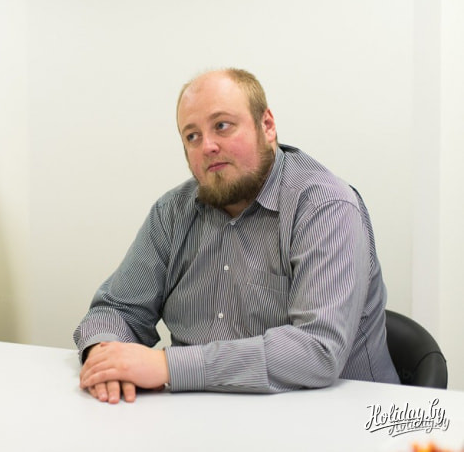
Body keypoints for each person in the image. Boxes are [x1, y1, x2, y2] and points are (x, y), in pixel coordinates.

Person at [73, 68, 400, 404]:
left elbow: (317, 350)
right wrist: (105, 358)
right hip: (199, 414)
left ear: (267, 125)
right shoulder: (172, 212)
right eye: (192, 136)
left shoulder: (325, 207)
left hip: (337, 416)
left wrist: (168, 366)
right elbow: (117, 309)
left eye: (222, 126)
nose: (208, 146)